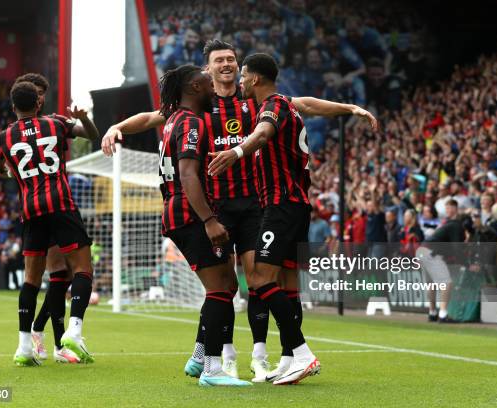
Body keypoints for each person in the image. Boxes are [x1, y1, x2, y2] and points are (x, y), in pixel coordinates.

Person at [101, 39, 377, 382]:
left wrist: (348, 108)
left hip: (254, 206)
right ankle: (222, 356)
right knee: (223, 285)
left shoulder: (254, 102)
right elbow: (152, 116)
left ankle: (260, 354)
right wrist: (117, 127)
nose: (228, 65)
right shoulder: (199, 104)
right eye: (220, 60)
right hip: (214, 206)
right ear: (208, 68)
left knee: (255, 278)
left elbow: (304, 104)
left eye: (232, 59)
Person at [208, 53, 330, 384]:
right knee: (288, 287)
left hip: (280, 207)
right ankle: (290, 358)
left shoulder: (272, 105)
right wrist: (350, 109)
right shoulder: (288, 105)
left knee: (260, 280)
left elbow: (262, 134)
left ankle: (302, 352)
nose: (241, 81)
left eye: (244, 76)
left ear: (256, 79)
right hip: (296, 205)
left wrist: (235, 153)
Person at [153, 64, 250, 387]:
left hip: (179, 211)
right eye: (208, 83)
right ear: (194, 88)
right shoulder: (192, 122)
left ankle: (198, 357)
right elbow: (188, 175)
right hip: (190, 214)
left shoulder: (173, 121)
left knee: (227, 285)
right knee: (220, 289)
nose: (214, 88)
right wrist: (209, 220)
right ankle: (211, 369)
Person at [0, 81, 95, 366]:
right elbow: (91, 135)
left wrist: (3, 168)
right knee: (83, 269)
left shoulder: (4, 138)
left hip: (31, 210)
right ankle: (74, 331)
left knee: (31, 280)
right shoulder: (57, 123)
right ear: (38, 103)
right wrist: (83, 117)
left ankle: (25, 346)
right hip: (60, 204)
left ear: (13, 106)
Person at [416, 199, 465, 323]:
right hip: (431, 253)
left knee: (431, 284)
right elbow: (457, 248)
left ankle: (432, 313)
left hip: (422, 250)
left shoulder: (445, 224)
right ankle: (443, 314)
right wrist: (466, 263)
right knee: (446, 283)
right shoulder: (456, 225)